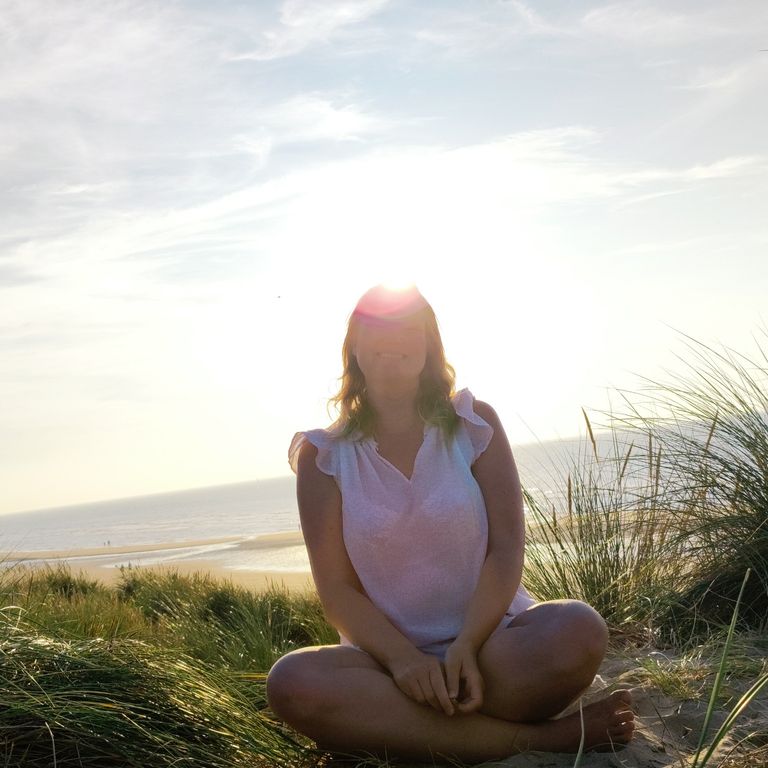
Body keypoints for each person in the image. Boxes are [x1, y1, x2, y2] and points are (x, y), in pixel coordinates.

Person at [267, 285, 634, 763]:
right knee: (292, 683)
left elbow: (506, 550)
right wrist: (404, 662)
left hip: (492, 649)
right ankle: (545, 740)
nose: (391, 338)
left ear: (428, 343)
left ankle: (420, 737)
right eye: (376, 326)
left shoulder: (472, 424)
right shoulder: (323, 456)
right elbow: (336, 591)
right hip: (385, 667)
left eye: (407, 326)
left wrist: (467, 645)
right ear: (353, 344)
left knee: (578, 627)